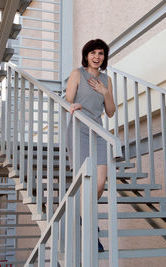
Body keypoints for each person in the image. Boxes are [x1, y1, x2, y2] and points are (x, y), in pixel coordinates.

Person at [65, 39, 115, 252]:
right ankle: (90, 229)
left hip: (99, 131)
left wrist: (105, 92)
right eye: (93, 53)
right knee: (86, 182)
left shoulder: (106, 79)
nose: (97, 57)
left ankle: (81, 217)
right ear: (86, 55)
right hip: (79, 129)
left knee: (100, 183)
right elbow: (68, 97)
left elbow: (111, 111)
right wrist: (73, 104)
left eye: (101, 53)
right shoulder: (77, 73)